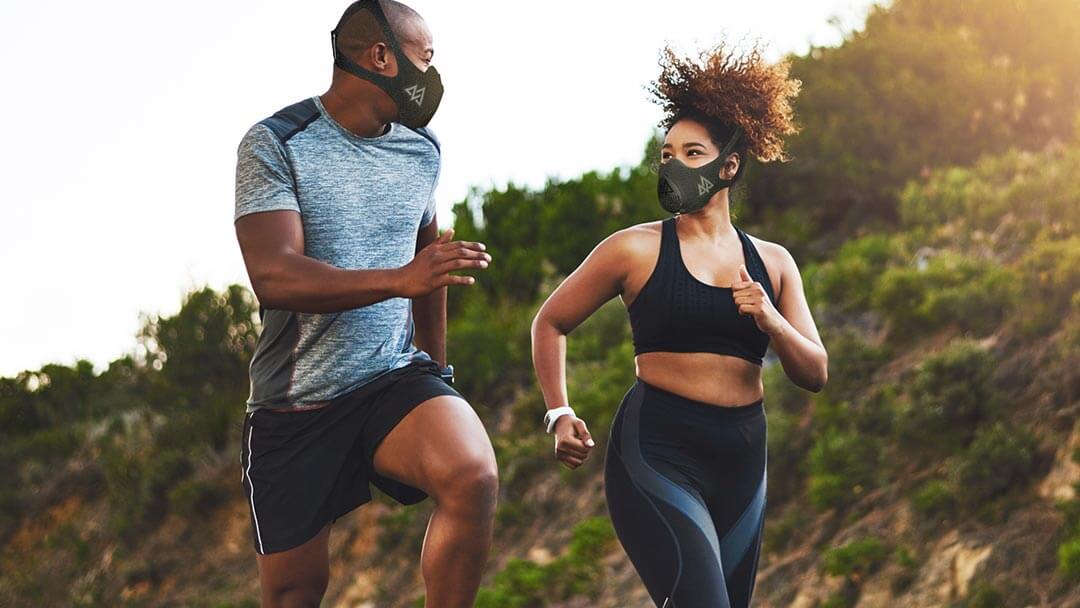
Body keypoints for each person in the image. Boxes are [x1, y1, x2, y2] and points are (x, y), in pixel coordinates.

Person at [530, 43, 827, 608]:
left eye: (692, 153)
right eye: (667, 153)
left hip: (743, 456)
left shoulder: (775, 263)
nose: (673, 164)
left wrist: (770, 319)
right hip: (658, 448)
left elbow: (815, 371)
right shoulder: (634, 250)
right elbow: (552, 321)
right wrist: (559, 411)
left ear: (729, 164)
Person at [232, 1, 498, 606]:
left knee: (471, 473)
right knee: (295, 591)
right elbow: (275, 276)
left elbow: (427, 257)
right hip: (294, 406)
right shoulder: (276, 143)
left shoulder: (422, 149)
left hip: (389, 380)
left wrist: (436, 366)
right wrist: (399, 279)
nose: (433, 76)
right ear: (381, 56)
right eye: (425, 59)